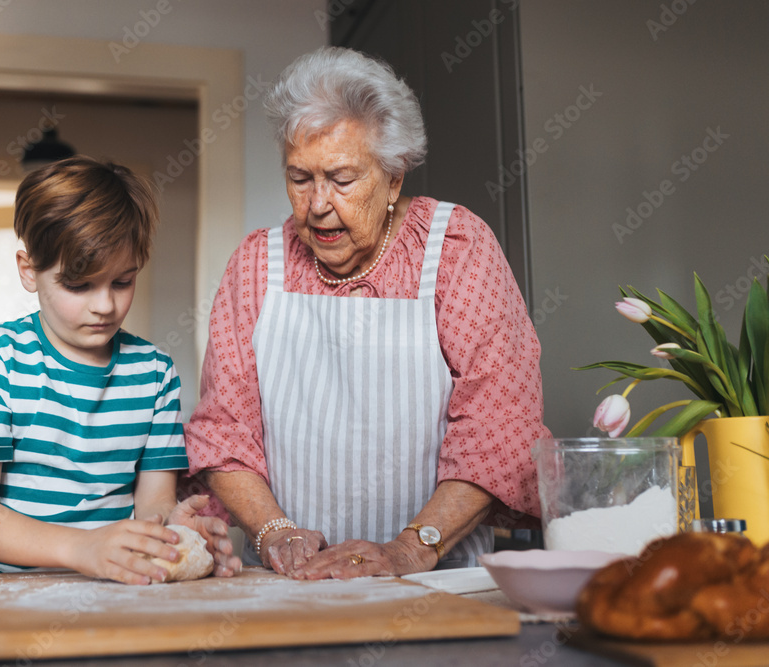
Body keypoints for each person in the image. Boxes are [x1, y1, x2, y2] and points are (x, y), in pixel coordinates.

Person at [185, 47, 552, 579]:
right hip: (286, 582)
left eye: (341, 178)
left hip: (435, 581)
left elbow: (499, 431)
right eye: (300, 177)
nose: (317, 204)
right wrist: (274, 533)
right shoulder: (255, 265)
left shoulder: (454, 250)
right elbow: (225, 433)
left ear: (394, 177)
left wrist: (411, 548)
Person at [0, 156, 241, 593]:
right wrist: (83, 548)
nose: (104, 305)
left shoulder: (154, 374)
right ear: (29, 271)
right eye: (78, 286)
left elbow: (153, 501)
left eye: (122, 282)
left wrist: (172, 532)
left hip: (102, 598)